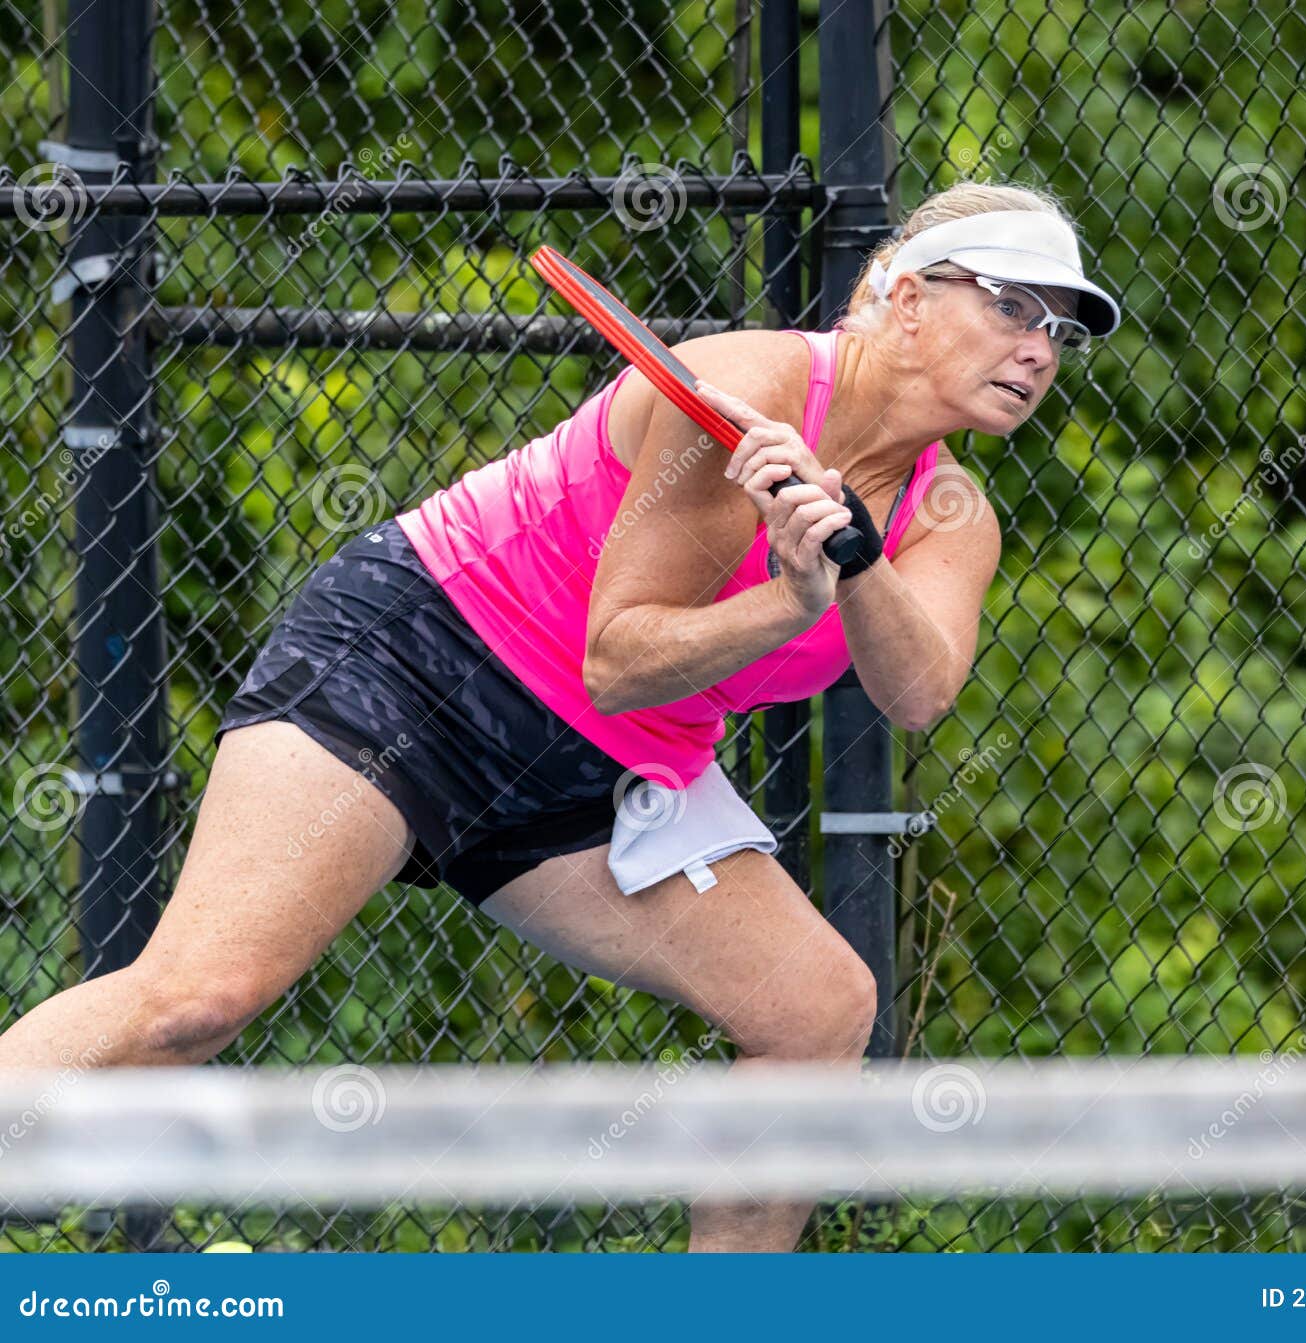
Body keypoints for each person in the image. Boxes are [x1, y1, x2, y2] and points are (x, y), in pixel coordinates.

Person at [0, 179, 1119, 1250]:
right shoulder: (753, 383)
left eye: (1061, 330)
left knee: (817, 1006)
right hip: (419, 658)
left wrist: (847, 562)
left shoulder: (951, 514)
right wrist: (786, 602)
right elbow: (619, 657)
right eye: (1012, 304)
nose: (1036, 348)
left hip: (605, 777)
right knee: (198, 999)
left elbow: (916, 690)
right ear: (904, 294)